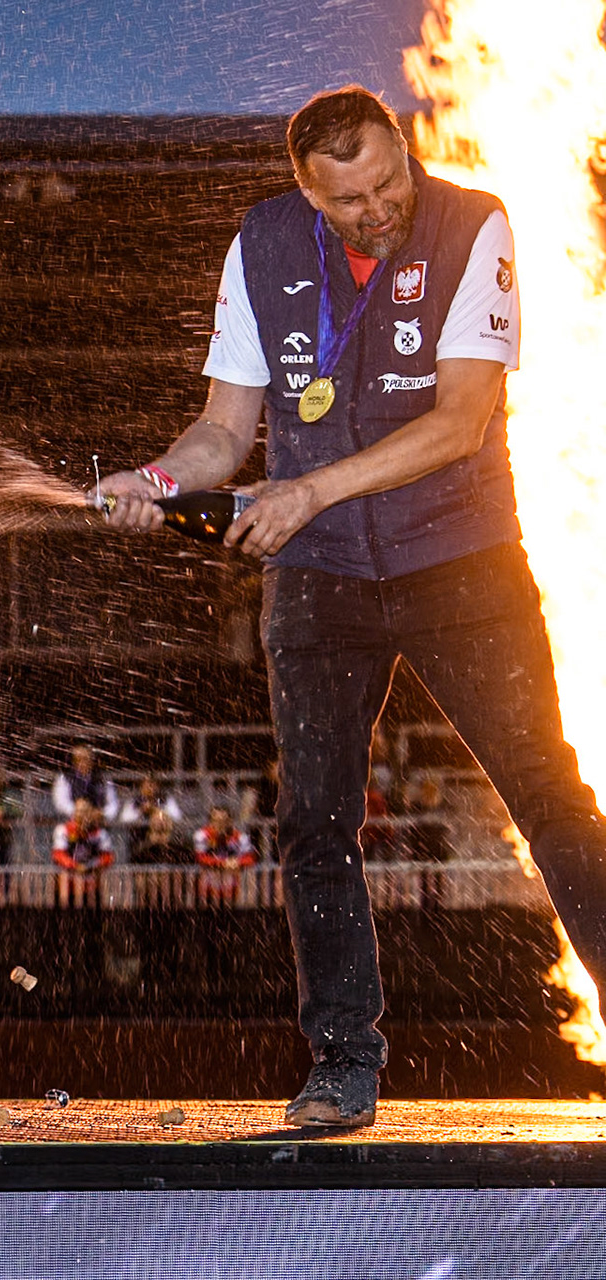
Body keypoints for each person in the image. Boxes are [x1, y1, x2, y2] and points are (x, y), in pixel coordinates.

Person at [94, 86, 602, 1128]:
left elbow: (463, 419)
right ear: (307, 195)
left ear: (405, 153)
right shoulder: (265, 243)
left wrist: (310, 487)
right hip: (319, 574)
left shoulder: (474, 225)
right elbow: (223, 428)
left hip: (460, 560)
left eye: (388, 183)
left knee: (551, 799)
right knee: (314, 822)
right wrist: (159, 479)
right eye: (352, 201)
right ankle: (342, 1061)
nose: (380, 208)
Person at [193, 805, 256, 904]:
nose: (220, 824)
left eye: (223, 820)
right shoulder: (202, 835)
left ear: (230, 821)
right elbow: (200, 858)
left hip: (232, 887)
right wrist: (224, 863)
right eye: (216, 820)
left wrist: (237, 862)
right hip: (208, 887)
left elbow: (250, 858)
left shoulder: (240, 837)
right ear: (210, 821)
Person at [52, 745, 119, 822]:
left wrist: (102, 814)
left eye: (87, 759)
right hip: (72, 823)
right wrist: (81, 813)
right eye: (79, 759)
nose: (84, 763)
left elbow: (113, 804)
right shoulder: (64, 778)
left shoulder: (103, 779)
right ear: (74, 762)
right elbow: (61, 803)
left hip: (98, 824)